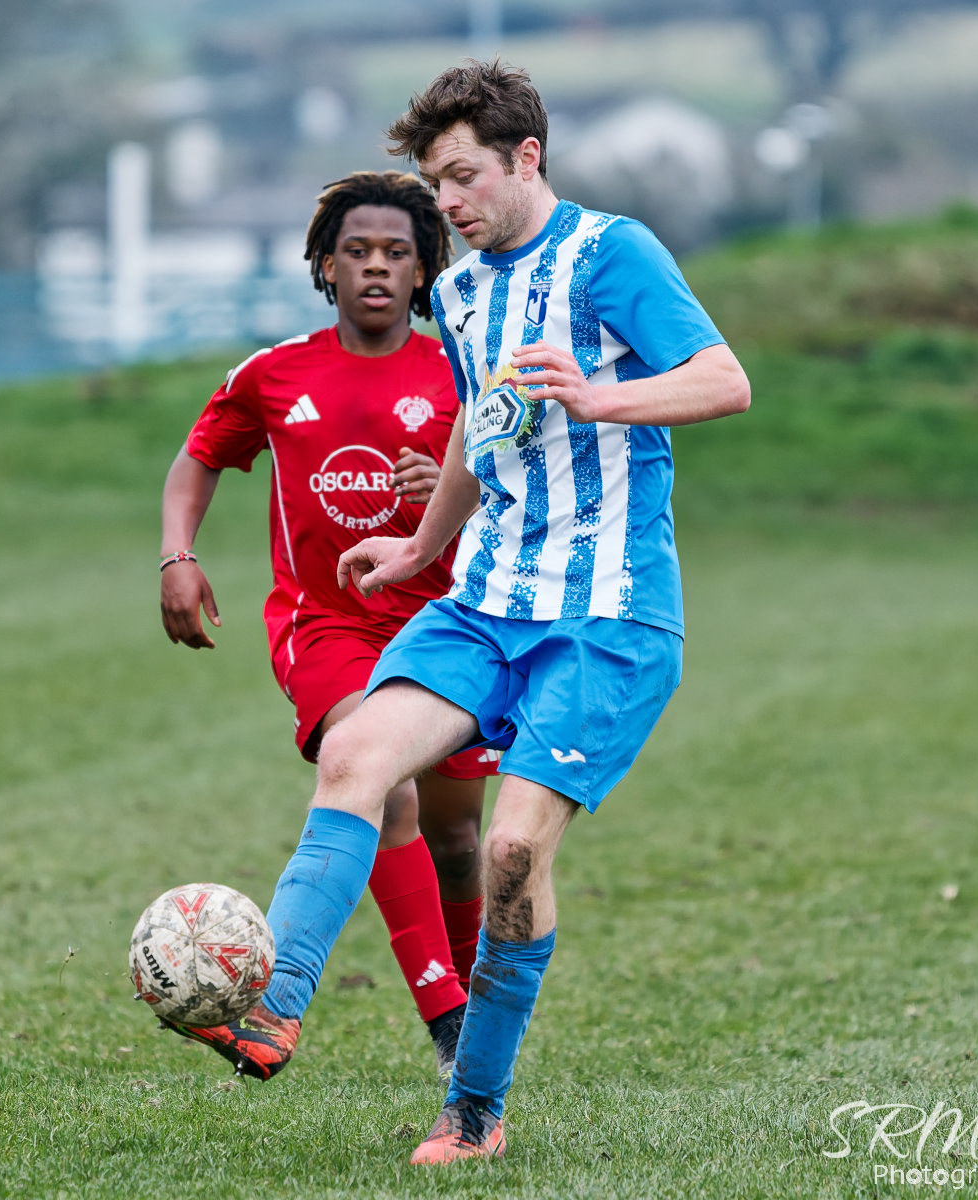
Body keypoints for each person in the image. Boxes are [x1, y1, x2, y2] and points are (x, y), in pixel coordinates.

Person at [178, 62, 751, 1166]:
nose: (445, 202)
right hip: (483, 603)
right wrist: (419, 547)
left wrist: (598, 396)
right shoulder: (466, 292)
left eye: (461, 177)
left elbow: (724, 380)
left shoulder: (612, 254)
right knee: (354, 754)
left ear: (525, 158)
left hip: (607, 617)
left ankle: (474, 1112)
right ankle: (270, 1005)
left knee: (510, 854)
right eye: (435, 182)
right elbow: (474, 428)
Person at [159, 171, 497, 1074]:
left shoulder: (462, 372)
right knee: (383, 787)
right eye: (357, 251)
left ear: (424, 269)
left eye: (396, 252)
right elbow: (197, 458)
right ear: (325, 266)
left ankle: (477, 1022)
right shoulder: (274, 374)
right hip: (327, 627)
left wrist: (449, 493)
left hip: (447, 628)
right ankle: (436, 1020)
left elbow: (516, 485)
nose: (376, 267)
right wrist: (177, 555)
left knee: (458, 843)